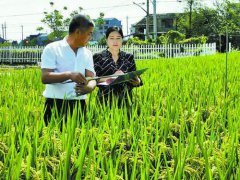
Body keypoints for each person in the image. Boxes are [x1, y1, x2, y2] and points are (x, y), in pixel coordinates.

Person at [41, 14, 96, 127]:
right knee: (54, 141)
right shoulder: (52, 49)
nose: (91, 37)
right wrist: (69, 75)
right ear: (77, 32)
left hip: (79, 105)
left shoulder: (87, 53)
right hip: (55, 103)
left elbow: (92, 77)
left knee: (78, 141)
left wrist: (89, 87)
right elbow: (45, 77)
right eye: (89, 33)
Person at [93, 26, 142, 108]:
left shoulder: (128, 57)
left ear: (122, 39)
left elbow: (136, 77)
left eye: (118, 38)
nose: (115, 41)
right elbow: (95, 80)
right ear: (106, 40)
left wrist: (137, 81)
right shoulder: (98, 57)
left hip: (126, 101)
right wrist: (113, 77)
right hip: (105, 101)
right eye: (111, 38)